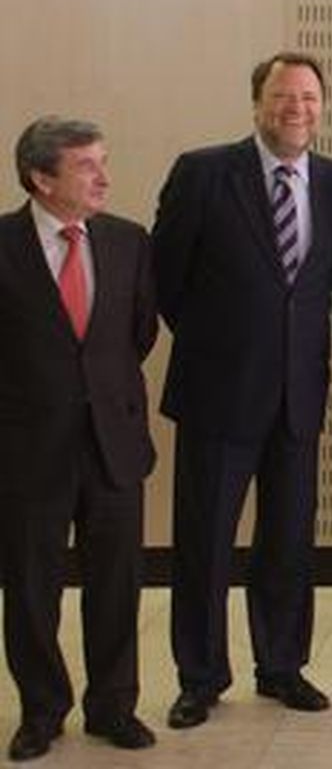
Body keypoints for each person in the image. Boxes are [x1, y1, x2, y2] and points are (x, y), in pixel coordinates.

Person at [153, 52, 332, 728]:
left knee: (289, 541)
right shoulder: (204, 171)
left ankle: (282, 665)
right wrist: (226, 345)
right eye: (281, 96)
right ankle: (201, 675)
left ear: (322, 106)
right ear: (257, 103)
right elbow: (167, 281)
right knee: (206, 540)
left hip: (299, 395)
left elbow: (322, 285)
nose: (295, 108)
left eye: (307, 96)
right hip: (218, 392)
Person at [1, 118, 158, 760]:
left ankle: (113, 706)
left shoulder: (127, 241)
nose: (104, 177)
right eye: (86, 166)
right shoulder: (3, 245)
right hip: (28, 449)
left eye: (103, 160)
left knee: (117, 583)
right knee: (32, 588)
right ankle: (42, 711)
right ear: (41, 178)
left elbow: (137, 335)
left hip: (113, 443)